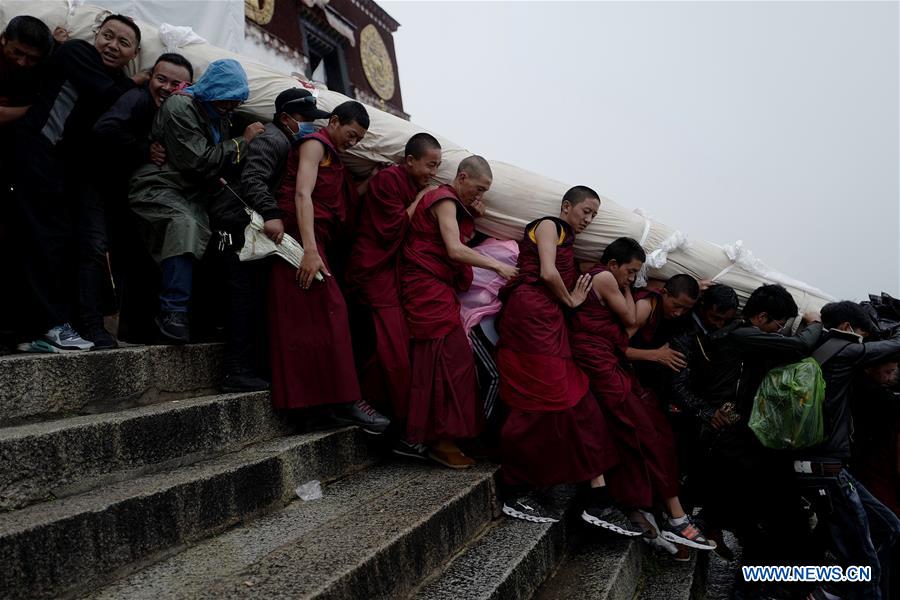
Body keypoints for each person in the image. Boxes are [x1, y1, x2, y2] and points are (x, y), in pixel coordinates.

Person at [496, 187, 640, 535]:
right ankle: (514, 489)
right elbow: (547, 272)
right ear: (566, 206)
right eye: (585, 211)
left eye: (594, 215)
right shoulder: (549, 226)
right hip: (531, 314)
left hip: (549, 321)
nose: (588, 220)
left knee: (578, 400)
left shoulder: (570, 243)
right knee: (543, 401)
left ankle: (598, 499)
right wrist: (572, 300)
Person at [568, 238, 715, 551]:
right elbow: (621, 343)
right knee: (645, 435)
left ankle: (662, 514)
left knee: (657, 436)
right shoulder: (645, 302)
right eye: (676, 306)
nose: (677, 314)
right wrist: (655, 356)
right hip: (606, 364)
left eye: (685, 310)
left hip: (622, 373)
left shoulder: (656, 300)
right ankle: (672, 517)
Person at [11, 14, 142, 352]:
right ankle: (48, 326)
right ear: (96, 34)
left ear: (134, 53)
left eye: (123, 43)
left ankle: (34, 331)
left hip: (59, 170)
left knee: (58, 243)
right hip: (35, 154)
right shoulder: (76, 53)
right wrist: (137, 84)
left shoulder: (114, 78)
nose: (111, 45)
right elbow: (109, 93)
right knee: (44, 241)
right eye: (108, 35)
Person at [267, 100, 390, 434]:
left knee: (312, 325)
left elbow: (341, 200)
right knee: (329, 315)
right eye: (351, 134)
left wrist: (373, 181)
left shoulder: (335, 157)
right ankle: (347, 400)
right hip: (299, 240)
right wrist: (308, 250)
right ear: (334, 121)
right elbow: (303, 195)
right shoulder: (314, 145)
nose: (353, 142)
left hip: (316, 240)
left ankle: (313, 408)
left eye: (358, 139)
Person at [130, 58, 265, 343]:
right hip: (160, 186)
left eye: (234, 102)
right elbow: (198, 161)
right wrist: (244, 141)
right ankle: (173, 313)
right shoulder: (181, 106)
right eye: (226, 100)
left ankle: (204, 320)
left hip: (192, 194)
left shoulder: (218, 112)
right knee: (185, 224)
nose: (230, 107)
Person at [207, 87, 332, 391]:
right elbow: (253, 178)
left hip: (245, 226)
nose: (310, 125)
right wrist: (271, 212)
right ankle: (235, 372)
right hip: (238, 225)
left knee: (250, 299)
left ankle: (246, 367)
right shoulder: (273, 139)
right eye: (305, 118)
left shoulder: (287, 141)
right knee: (243, 299)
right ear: (287, 117)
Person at [400, 155, 516, 467]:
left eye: (485, 193)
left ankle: (435, 437)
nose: (480, 197)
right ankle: (429, 438)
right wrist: (497, 265)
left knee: (451, 362)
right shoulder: (444, 199)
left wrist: (473, 218)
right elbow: (453, 249)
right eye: (477, 189)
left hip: (439, 288)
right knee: (445, 361)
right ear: (462, 177)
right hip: (425, 286)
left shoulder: (457, 206)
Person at [698, 284, 822, 568]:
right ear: (762, 316)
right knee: (759, 509)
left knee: (756, 511)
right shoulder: (743, 335)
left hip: (742, 438)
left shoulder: (744, 336)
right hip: (732, 440)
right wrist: (815, 321)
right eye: (778, 324)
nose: (779, 331)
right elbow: (801, 346)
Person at [79, 53, 194, 348]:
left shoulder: (177, 115)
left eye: (176, 83)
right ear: (149, 79)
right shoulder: (138, 99)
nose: (167, 87)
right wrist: (144, 149)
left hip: (126, 195)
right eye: (160, 79)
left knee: (132, 258)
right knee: (95, 249)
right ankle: (93, 328)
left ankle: (134, 330)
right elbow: (103, 130)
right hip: (96, 184)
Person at [797, 301, 900, 600]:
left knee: (888, 528)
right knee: (866, 560)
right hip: (826, 469)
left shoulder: (814, 348)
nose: (865, 341)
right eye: (863, 334)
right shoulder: (842, 352)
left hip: (826, 467)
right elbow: (882, 350)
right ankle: (827, 590)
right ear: (845, 328)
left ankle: (827, 590)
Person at [346, 132, 442, 434]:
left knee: (390, 345)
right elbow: (392, 227)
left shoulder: (412, 182)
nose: (433, 173)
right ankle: (388, 414)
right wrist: (418, 200)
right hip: (372, 266)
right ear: (409, 160)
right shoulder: (389, 180)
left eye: (438, 166)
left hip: (392, 273)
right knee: (392, 346)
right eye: (430, 165)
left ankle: (379, 405)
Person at [665, 283, 739, 547]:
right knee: (681, 468)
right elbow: (678, 385)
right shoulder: (684, 331)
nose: (719, 324)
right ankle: (677, 529)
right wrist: (708, 413)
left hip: (701, 411)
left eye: (725, 320)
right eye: (715, 318)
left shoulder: (716, 331)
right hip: (678, 411)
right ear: (702, 307)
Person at [0, 15, 52, 126]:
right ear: (4, 39)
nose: (22, 63)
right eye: (17, 52)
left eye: (32, 58)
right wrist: (36, 107)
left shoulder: (39, 69)